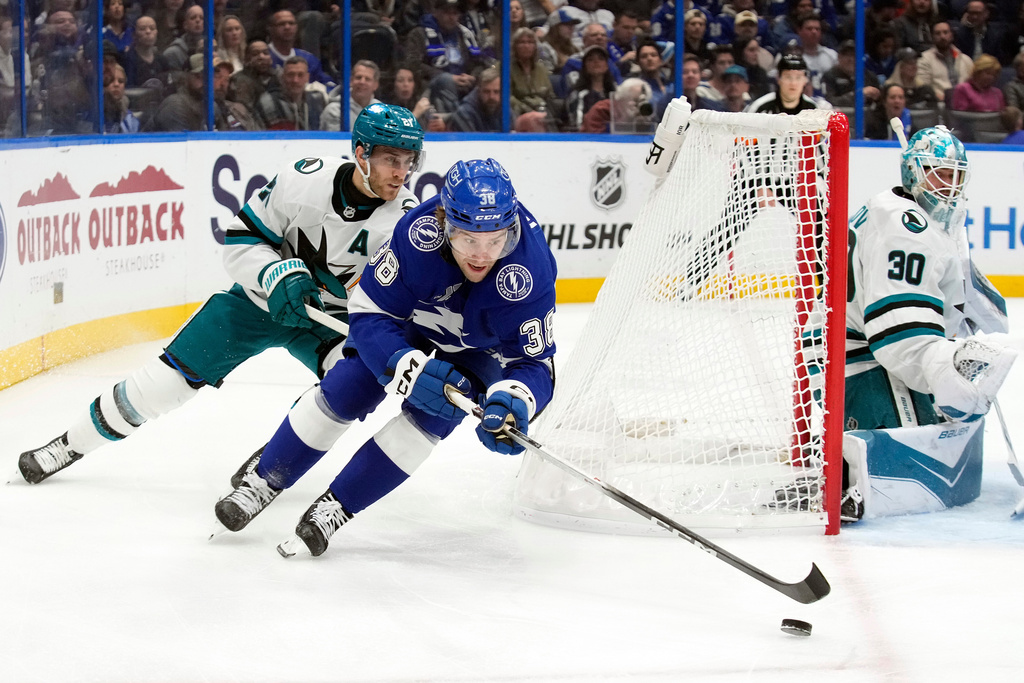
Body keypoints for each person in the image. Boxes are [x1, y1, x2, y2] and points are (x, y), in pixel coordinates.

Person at [17, 104, 424, 486]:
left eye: (409, 161)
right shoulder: (303, 180)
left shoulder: (407, 221)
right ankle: (69, 444)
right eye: (392, 158)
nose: (401, 172)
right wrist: (274, 273)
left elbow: (399, 301)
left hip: (333, 322)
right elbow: (240, 241)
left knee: (351, 385)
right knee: (163, 385)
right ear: (360, 153)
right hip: (260, 302)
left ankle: (275, 458)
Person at [213, 158, 557, 559]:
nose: (482, 255)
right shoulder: (417, 235)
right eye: (467, 240)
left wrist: (515, 399)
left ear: (511, 229)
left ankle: (336, 508)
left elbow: (536, 365)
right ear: (445, 223)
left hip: (478, 350)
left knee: (433, 417)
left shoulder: (530, 268)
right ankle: (264, 480)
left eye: (496, 241)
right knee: (349, 385)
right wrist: (403, 365)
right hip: (410, 324)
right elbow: (369, 313)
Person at [842, 126, 1014, 520]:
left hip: (854, 346)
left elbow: (964, 291)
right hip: (852, 359)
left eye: (956, 175)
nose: (950, 185)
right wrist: (946, 369)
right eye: (939, 172)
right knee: (924, 448)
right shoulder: (905, 226)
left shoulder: (919, 216)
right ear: (913, 173)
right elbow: (899, 337)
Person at [255, 55, 327, 130]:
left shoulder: (317, 100)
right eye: (290, 75)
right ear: (282, 77)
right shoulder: (266, 103)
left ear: (307, 78)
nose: (295, 80)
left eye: (300, 75)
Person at [918, 20, 973, 103]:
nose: (942, 36)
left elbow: (973, 84)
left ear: (951, 35)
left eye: (945, 32)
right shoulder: (924, 59)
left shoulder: (965, 60)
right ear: (932, 37)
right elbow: (924, 86)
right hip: (938, 104)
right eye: (938, 33)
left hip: (965, 104)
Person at [747, 53, 820, 114]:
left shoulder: (813, 109)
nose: (793, 83)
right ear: (778, 78)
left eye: (798, 78)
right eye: (788, 77)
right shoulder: (760, 107)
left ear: (805, 80)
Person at [320, 59, 382, 131]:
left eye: (367, 79)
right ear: (351, 81)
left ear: (375, 85)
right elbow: (338, 141)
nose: (362, 82)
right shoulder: (334, 110)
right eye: (358, 77)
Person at [580, 76, 654, 133]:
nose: (638, 106)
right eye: (635, 100)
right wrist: (625, 121)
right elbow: (594, 139)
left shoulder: (644, 113)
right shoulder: (601, 109)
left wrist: (643, 124)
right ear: (621, 98)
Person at [447, 65, 503, 132]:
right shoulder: (464, 113)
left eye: (496, 92)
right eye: (486, 92)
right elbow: (470, 141)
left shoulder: (505, 109)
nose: (491, 96)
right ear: (478, 91)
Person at [102, 62, 140, 133]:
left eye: (121, 81)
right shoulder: (93, 115)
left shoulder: (131, 119)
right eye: (111, 80)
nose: (116, 84)